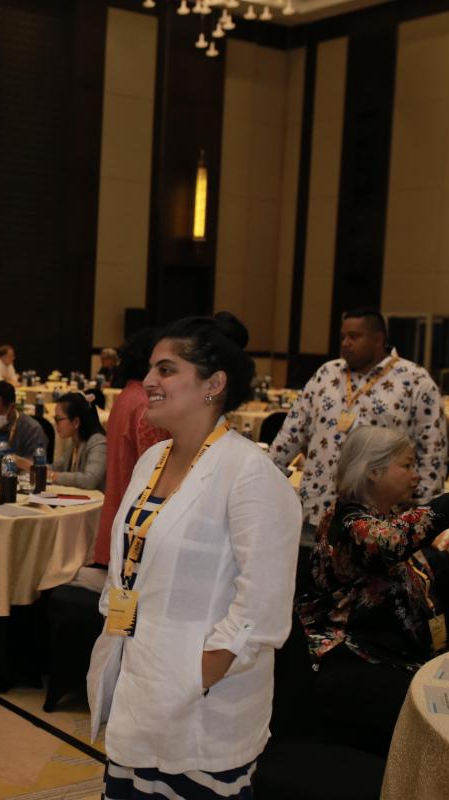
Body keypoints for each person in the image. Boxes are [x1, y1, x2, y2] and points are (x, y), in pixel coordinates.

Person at [87, 315, 301, 800]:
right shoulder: (152, 461)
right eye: (150, 369)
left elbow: (262, 608)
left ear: (214, 384)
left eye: (166, 370)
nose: (148, 381)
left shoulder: (249, 473)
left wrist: (197, 676)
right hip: (137, 686)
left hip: (203, 711)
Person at [296, 425, 449, 756]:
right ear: (373, 471)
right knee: (447, 714)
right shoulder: (347, 523)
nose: (415, 475)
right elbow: (388, 544)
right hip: (352, 657)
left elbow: (400, 569)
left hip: (389, 652)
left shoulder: (382, 517)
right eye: (406, 465)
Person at [269, 308, 446, 540]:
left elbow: (432, 455)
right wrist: (264, 479)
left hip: (380, 524)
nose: (345, 343)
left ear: (378, 339)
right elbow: (290, 435)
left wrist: (424, 521)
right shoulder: (326, 374)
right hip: (317, 513)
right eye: (343, 336)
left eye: (354, 336)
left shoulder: (415, 381)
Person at [92, 328, 169, 565]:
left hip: (117, 515)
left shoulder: (127, 396)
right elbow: (157, 473)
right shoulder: (146, 405)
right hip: (133, 528)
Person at [48, 391, 107, 489]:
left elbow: (89, 480)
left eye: (58, 419)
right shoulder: (76, 442)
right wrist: (30, 467)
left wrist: (52, 476)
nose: (56, 424)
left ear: (76, 422)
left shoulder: (98, 442)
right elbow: (55, 467)